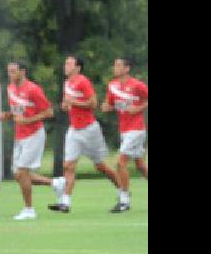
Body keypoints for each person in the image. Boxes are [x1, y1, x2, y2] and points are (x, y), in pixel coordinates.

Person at [47, 56, 123, 213]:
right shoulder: (67, 83)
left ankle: (122, 192)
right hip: (74, 129)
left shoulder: (83, 81)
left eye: (69, 63)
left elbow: (93, 103)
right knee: (68, 166)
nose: (66, 66)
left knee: (101, 166)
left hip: (89, 130)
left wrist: (73, 102)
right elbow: (69, 104)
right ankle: (65, 202)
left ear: (78, 68)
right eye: (65, 63)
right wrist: (66, 105)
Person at [0, 61, 60, 220]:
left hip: (34, 135)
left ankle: (29, 209)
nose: (10, 75)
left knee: (22, 172)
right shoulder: (10, 88)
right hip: (19, 136)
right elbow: (17, 112)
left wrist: (29, 120)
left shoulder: (33, 89)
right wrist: (8, 115)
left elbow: (49, 112)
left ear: (23, 72)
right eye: (9, 72)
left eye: (13, 72)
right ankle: (56, 184)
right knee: (20, 175)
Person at [102, 57, 148, 213]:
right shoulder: (112, 86)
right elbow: (109, 104)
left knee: (120, 163)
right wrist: (106, 106)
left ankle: (124, 201)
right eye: (114, 65)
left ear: (127, 69)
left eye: (118, 65)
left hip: (137, 129)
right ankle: (124, 199)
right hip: (125, 130)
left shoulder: (137, 85)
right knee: (141, 166)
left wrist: (139, 108)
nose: (115, 68)